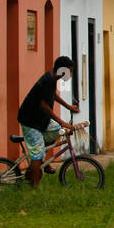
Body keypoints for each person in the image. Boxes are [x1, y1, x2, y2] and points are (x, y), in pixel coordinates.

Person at [17, 55, 80, 187]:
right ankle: (34, 185)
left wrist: (69, 107)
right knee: (36, 153)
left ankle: (41, 160)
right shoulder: (50, 79)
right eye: (70, 71)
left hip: (41, 119)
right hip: (30, 121)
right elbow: (44, 105)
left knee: (58, 131)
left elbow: (53, 96)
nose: (71, 74)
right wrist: (63, 122)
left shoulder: (52, 78)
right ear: (63, 71)